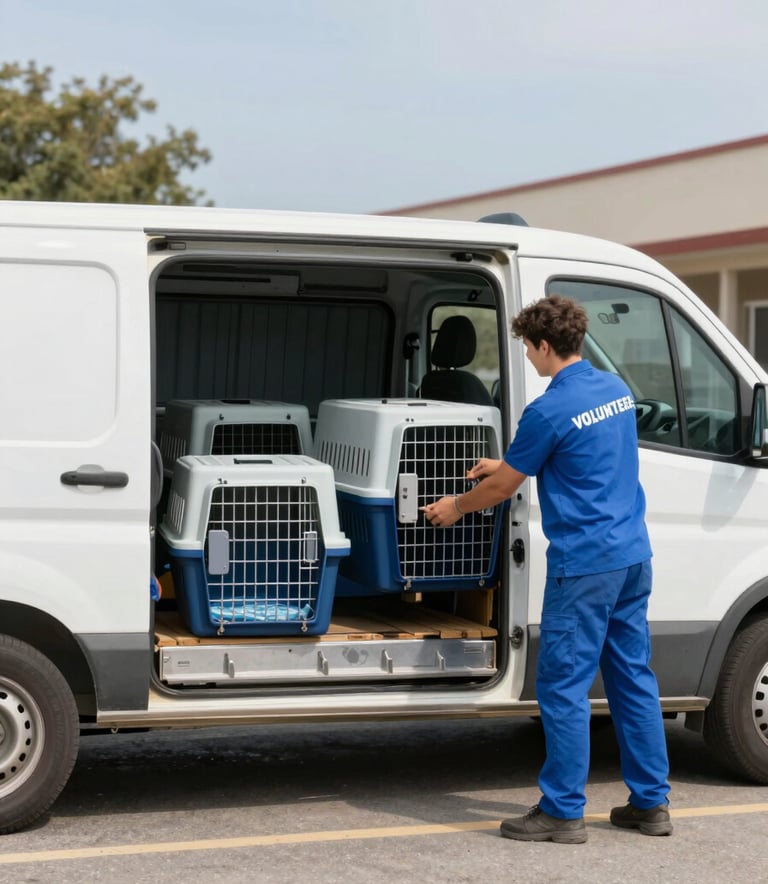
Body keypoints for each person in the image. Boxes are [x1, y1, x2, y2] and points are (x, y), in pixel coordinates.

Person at [421, 294, 671, 844]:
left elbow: (505, 488)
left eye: (528, 350)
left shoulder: (548, 408)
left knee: (562, 687)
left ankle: (561, 812)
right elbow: (583, 457)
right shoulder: (616, 390)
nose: (528, 360)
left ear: (542, 344)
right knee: (633, 679)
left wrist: (455, 506)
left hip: (583, 566)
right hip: (632, 556)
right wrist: (510, 464)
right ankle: (651, 805)